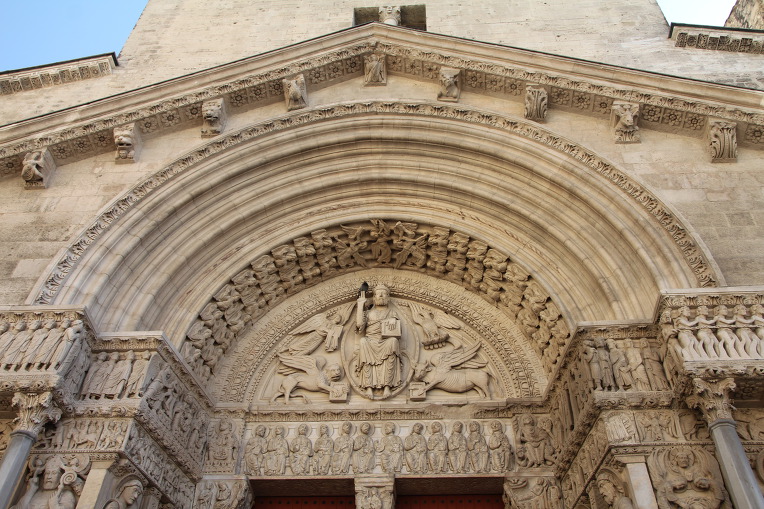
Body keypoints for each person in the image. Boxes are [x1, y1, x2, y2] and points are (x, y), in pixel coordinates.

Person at [355, 284, 402, 398]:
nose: (381, 296)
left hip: (385, 341)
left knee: (393, 342)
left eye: (384, 294)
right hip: (370, 340)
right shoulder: (369, 313)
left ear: (388, 298)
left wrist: (392, 322)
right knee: (363, 341)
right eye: (378, 294)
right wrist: (360, 305)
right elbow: (359, 325)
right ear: (374, 298)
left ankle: (387, 387)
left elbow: (396, 331)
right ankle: (368, 387)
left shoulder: (392, 313)